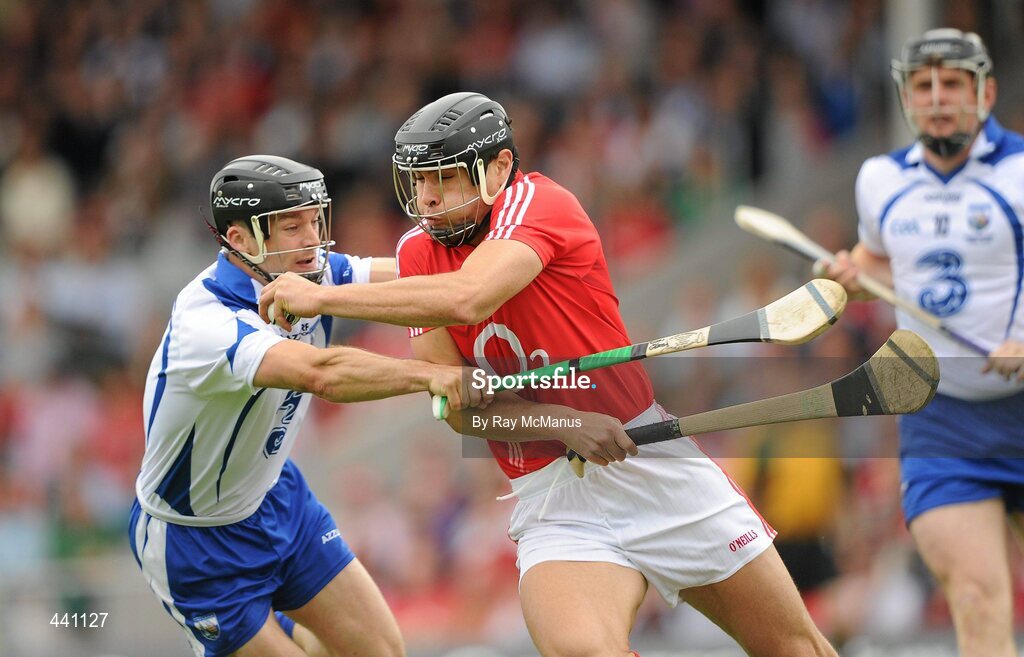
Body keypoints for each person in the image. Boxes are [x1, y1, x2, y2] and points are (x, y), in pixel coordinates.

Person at [259, 93, 836, 656]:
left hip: (652, 464)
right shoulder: (417, 254)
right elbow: (461, 407)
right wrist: (561, 421)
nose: (428, 199)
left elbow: (467, 298)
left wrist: (325, 298)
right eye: (419, 182)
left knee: (792, 647)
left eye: (445, 179)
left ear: (499, 168)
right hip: (552, 497)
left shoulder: (538, 203)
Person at [130, 154, 491, 657]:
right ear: (240, 241)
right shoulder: (205, 323)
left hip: (278, 499)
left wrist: (490, 281)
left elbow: (409, 278)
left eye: (315, 220)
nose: (312, 238)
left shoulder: (311, 273)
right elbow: (322, 373)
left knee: (383, 650)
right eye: (291, 226)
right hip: (197, 543)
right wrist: (434, 376)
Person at [820, 29, 1024, 657]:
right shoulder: (880, 181)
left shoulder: (1019, 173)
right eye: (923, 85)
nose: (937, 99)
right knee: (975, 597)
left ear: (985, 93)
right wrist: (853, 276)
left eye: (954, 84)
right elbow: (883, 264)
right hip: (943, 423)